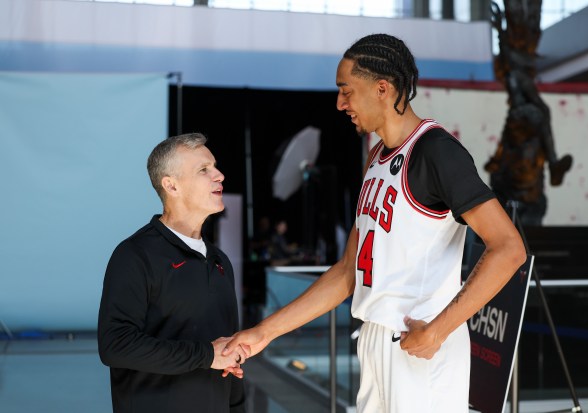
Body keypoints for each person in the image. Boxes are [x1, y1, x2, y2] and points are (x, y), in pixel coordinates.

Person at [223, 34, 526, 412]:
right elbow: (348, 272)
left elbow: (509, 247)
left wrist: (439, 330)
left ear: (382, 88)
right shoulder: (376, 159)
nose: (340, 103)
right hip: (374, 337)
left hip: (420, 344)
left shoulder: (436, 152)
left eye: (346, 91)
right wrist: (263, 333)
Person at [98, 133, 247, 413]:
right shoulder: (134, 255)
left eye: (214, 166)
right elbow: (115, 345)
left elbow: (227, 353)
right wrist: (206, 355)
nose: (220, 175)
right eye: (204, 170)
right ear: (171, 185)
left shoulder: (220, 262)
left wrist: (237, 407)